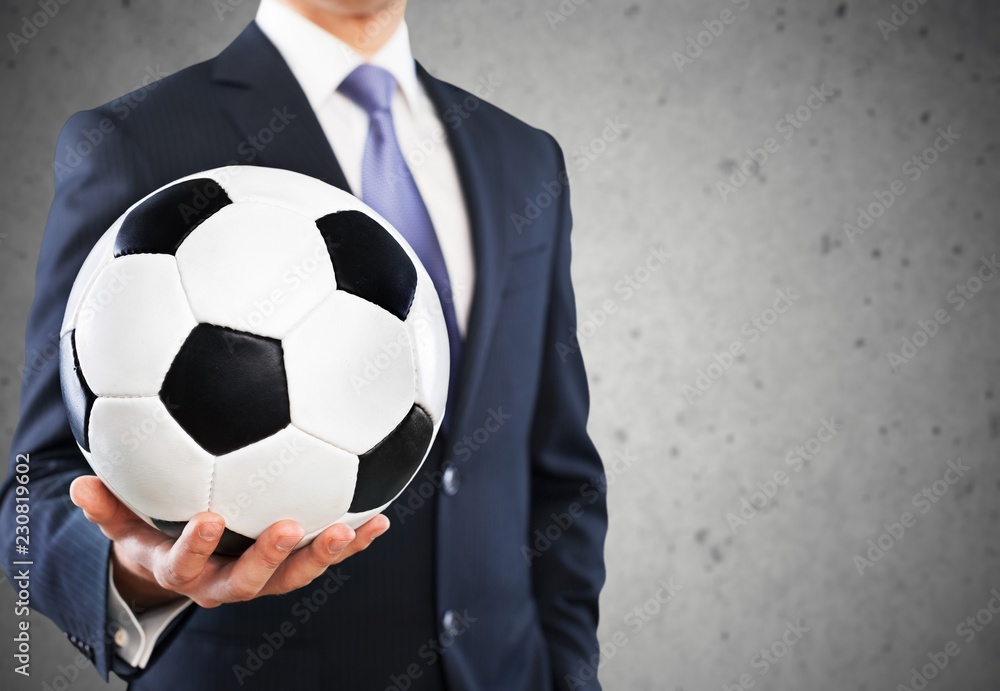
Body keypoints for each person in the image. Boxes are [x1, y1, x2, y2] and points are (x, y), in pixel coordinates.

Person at [0, 0, 608, 689]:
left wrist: (568, 672)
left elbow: (558, 469)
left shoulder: (524, 158)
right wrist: (136, 574)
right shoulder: (133, 140)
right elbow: (29, 491)